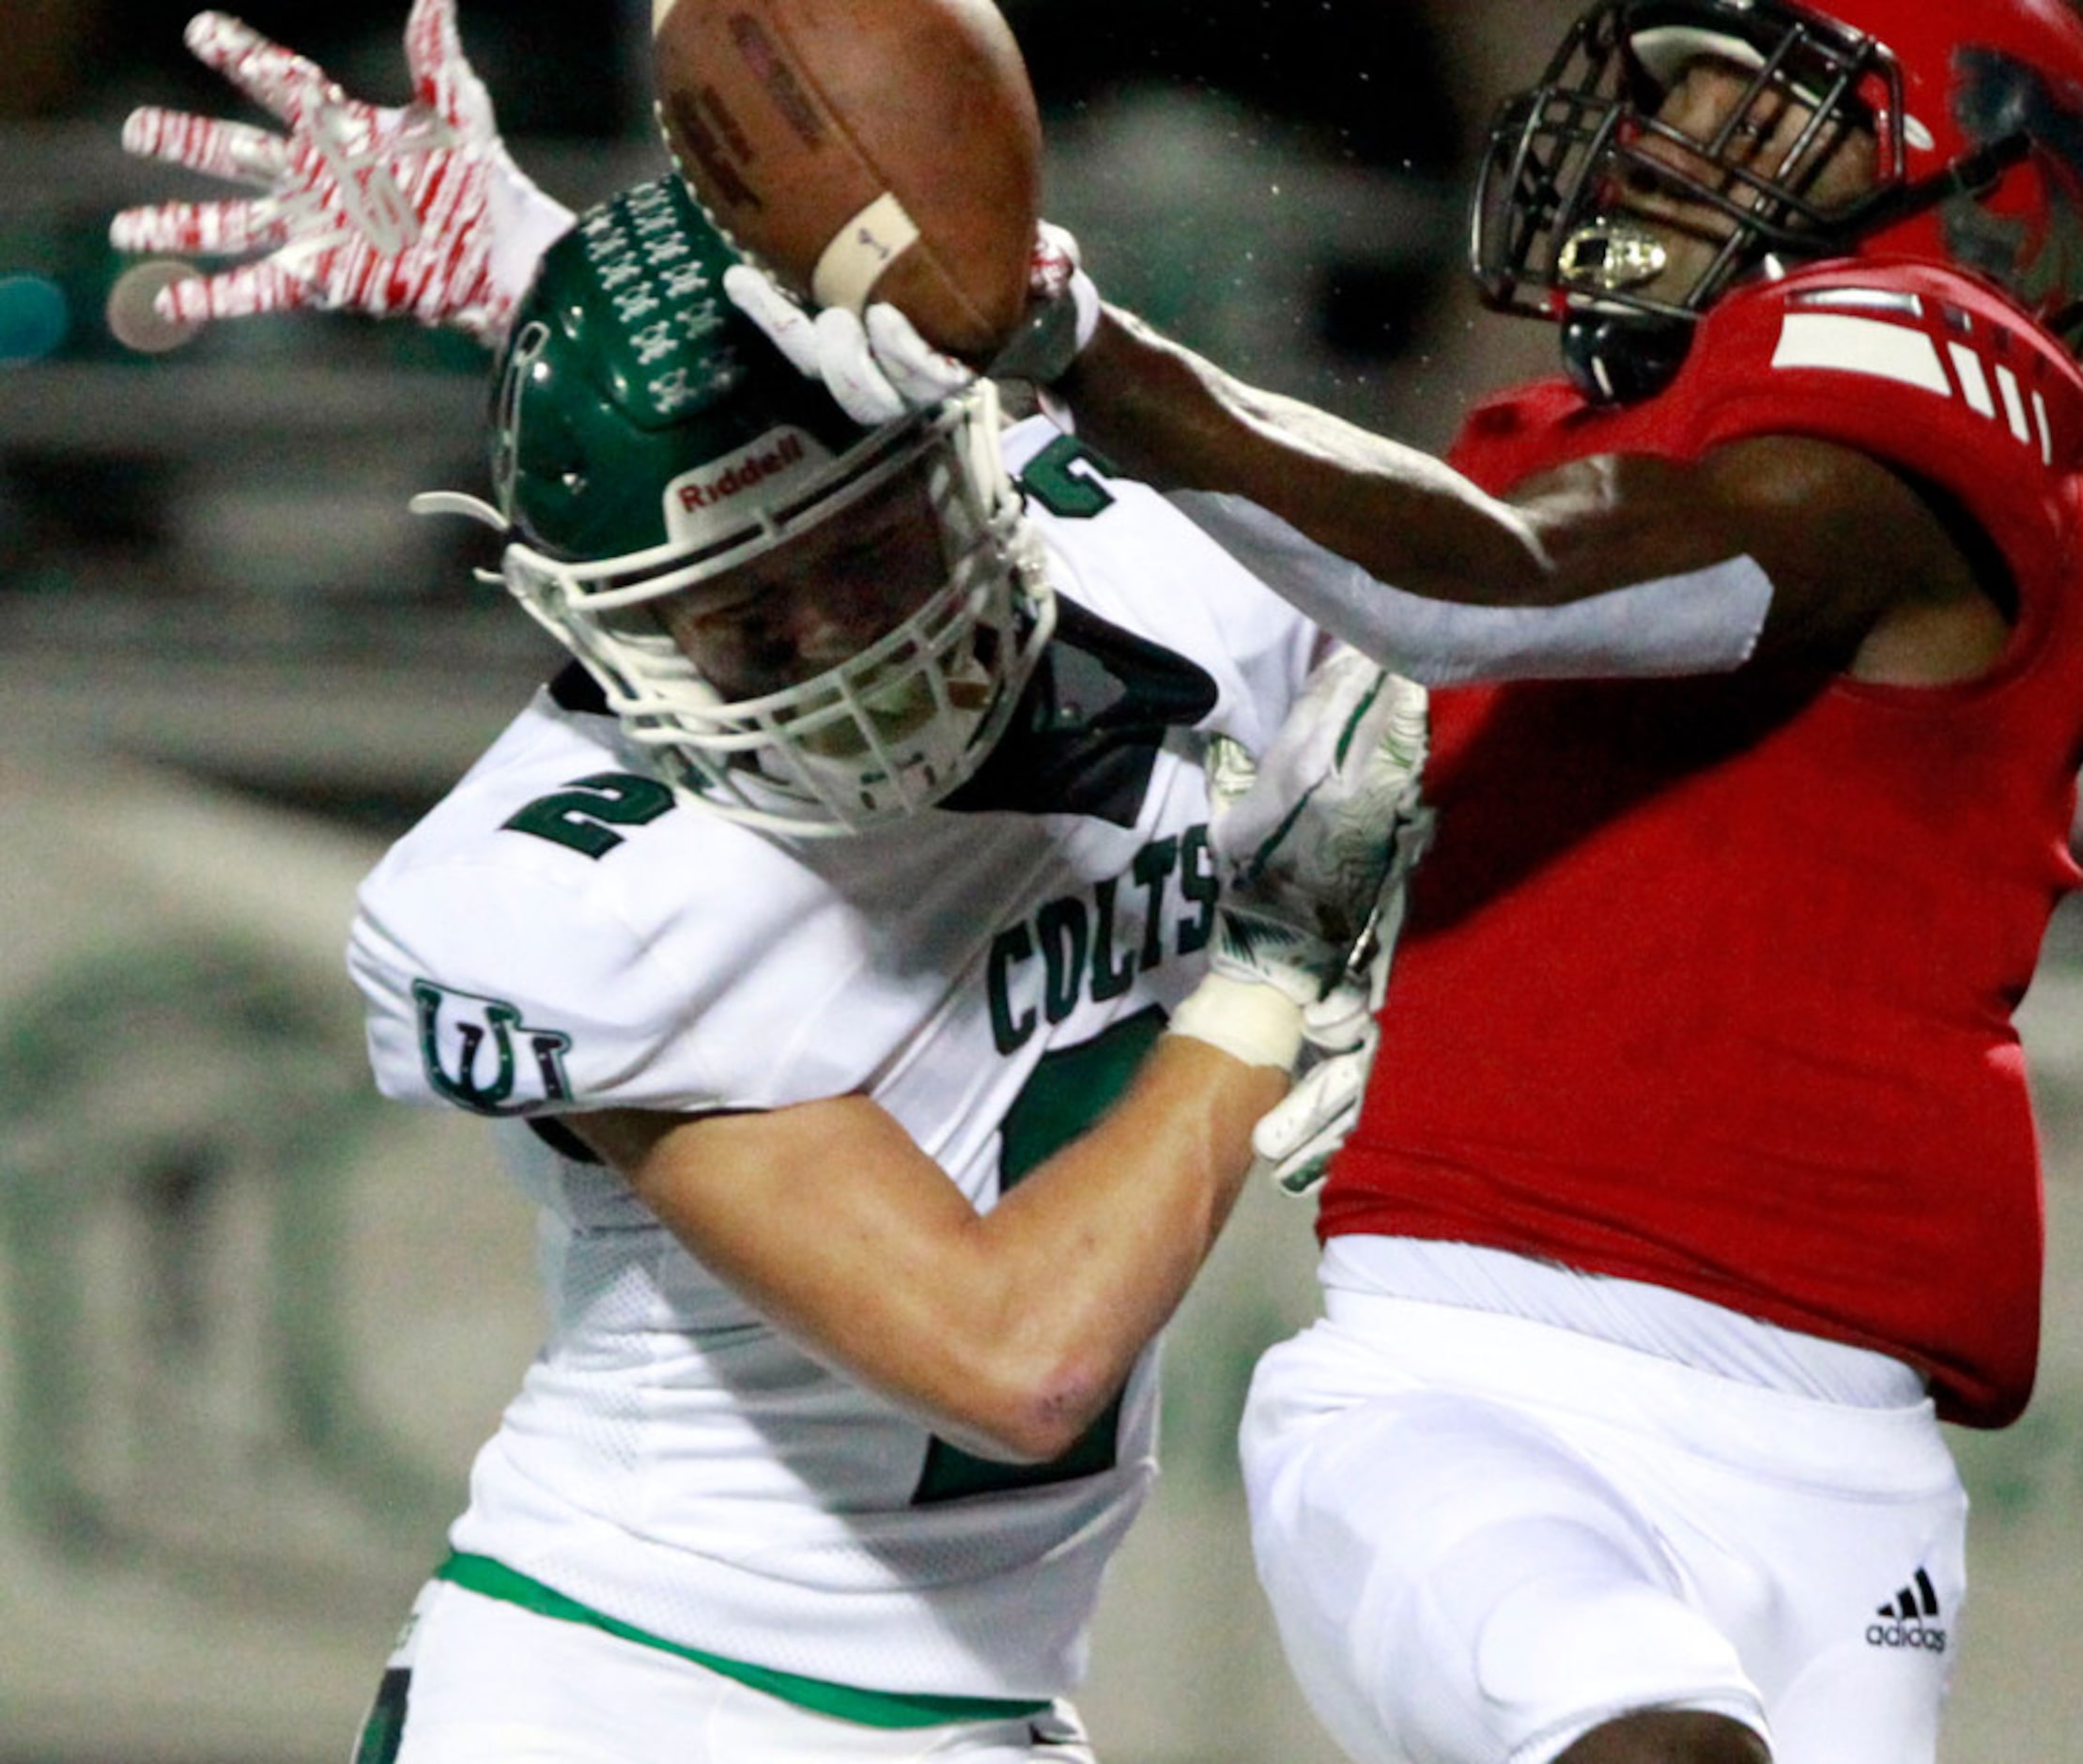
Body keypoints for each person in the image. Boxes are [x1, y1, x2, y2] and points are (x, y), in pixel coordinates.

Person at [774, 1, 2083, 1761]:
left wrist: (1075, 337)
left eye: (1744, 105)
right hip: (1470, 1387)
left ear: (1982, 199)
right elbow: (1069, 524)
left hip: (1847, 1469)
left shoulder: (1928, 393)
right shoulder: (1523, 456)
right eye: (1669, 96)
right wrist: (566, 274)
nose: (1659, 140)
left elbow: (1490, 585)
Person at [106, 13, 1429, 1760]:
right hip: (624, 1693)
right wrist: (1273, 961)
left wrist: (579, 285)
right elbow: (1016, 1353)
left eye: (866, 562)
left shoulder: (1148, 560)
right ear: (592, 619)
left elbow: (1486, 624)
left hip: (990, 1707)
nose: (834, 665)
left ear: (979, 465)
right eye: (738, 623)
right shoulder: (582, 891)